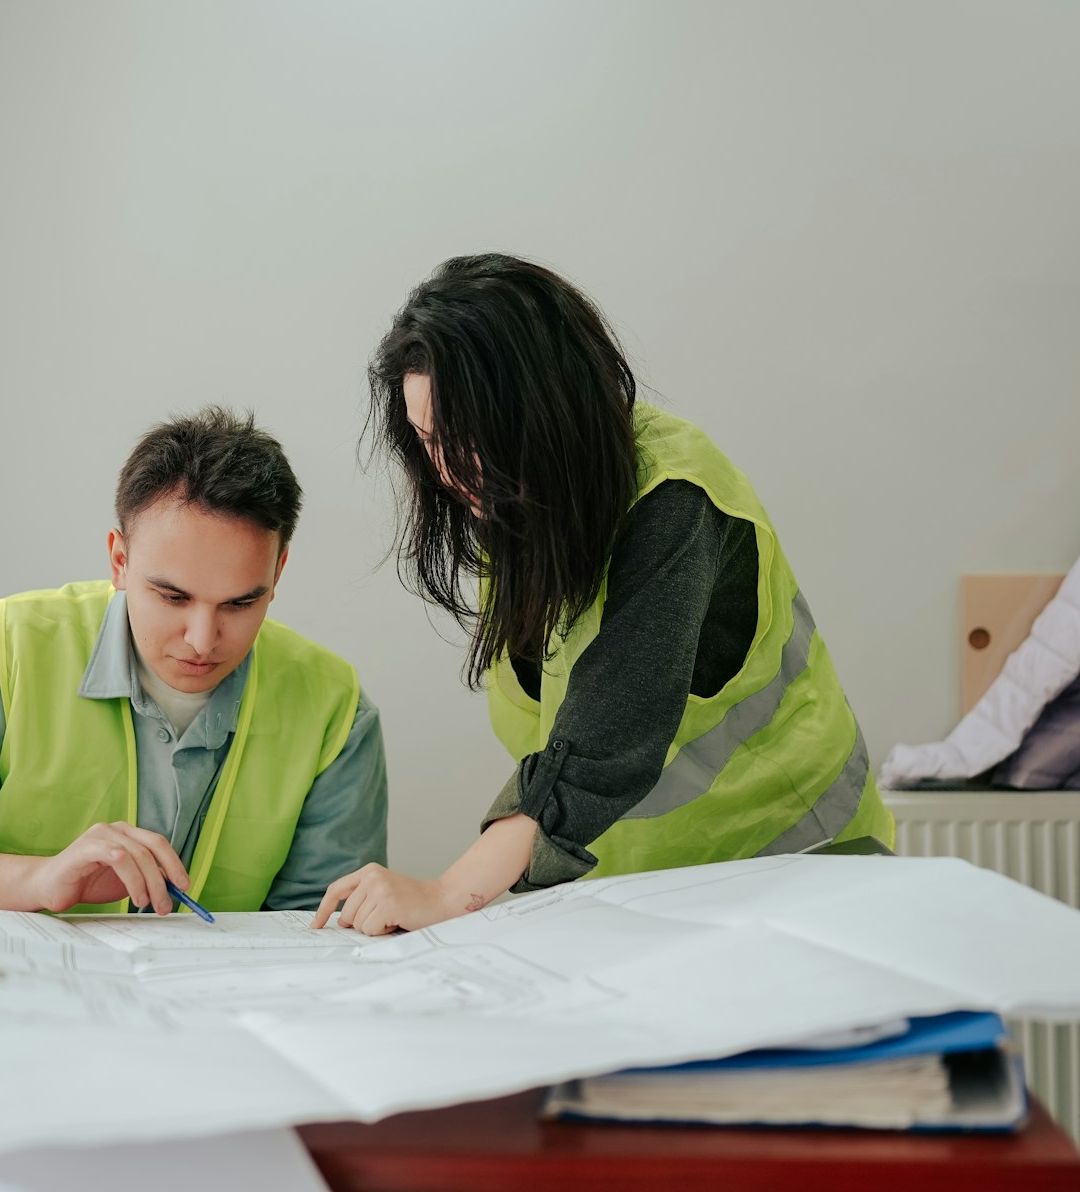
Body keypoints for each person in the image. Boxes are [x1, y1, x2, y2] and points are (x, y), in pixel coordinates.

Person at [315, 254, 892, 936]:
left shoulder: (673, 499)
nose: (447, 472)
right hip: (662, 890)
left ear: (543, 408)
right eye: (429, 441)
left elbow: (602, 740)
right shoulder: (519, 510)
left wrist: (447, 893)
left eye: (471, 439)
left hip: (796, 865)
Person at [0, 407, 388, 916]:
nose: (202, 639)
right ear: (119, 559)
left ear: (279, 571)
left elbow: (317, 931)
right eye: (172, 596)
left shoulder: (335, 709)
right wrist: (38, 879)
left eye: (241, 603)